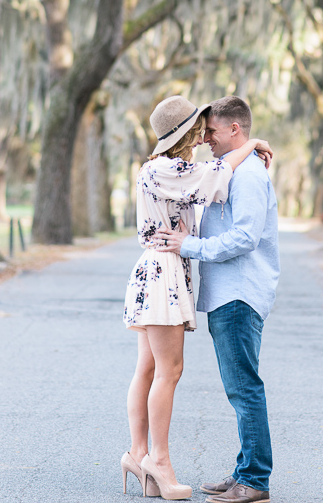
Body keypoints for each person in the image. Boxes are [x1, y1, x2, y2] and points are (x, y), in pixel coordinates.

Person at [122, 95, 273, 502]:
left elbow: (220, 181)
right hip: (164, 272)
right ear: (184, 132)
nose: (204, 136)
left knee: (150, 368)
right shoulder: (172, 169)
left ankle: (139, 454)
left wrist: (248, 147)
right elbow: (217, 173)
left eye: (210, 129)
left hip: (160, 271)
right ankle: (158, 461)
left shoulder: (161, 167)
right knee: (168, 372)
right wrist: (251, 144)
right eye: (199, 128)